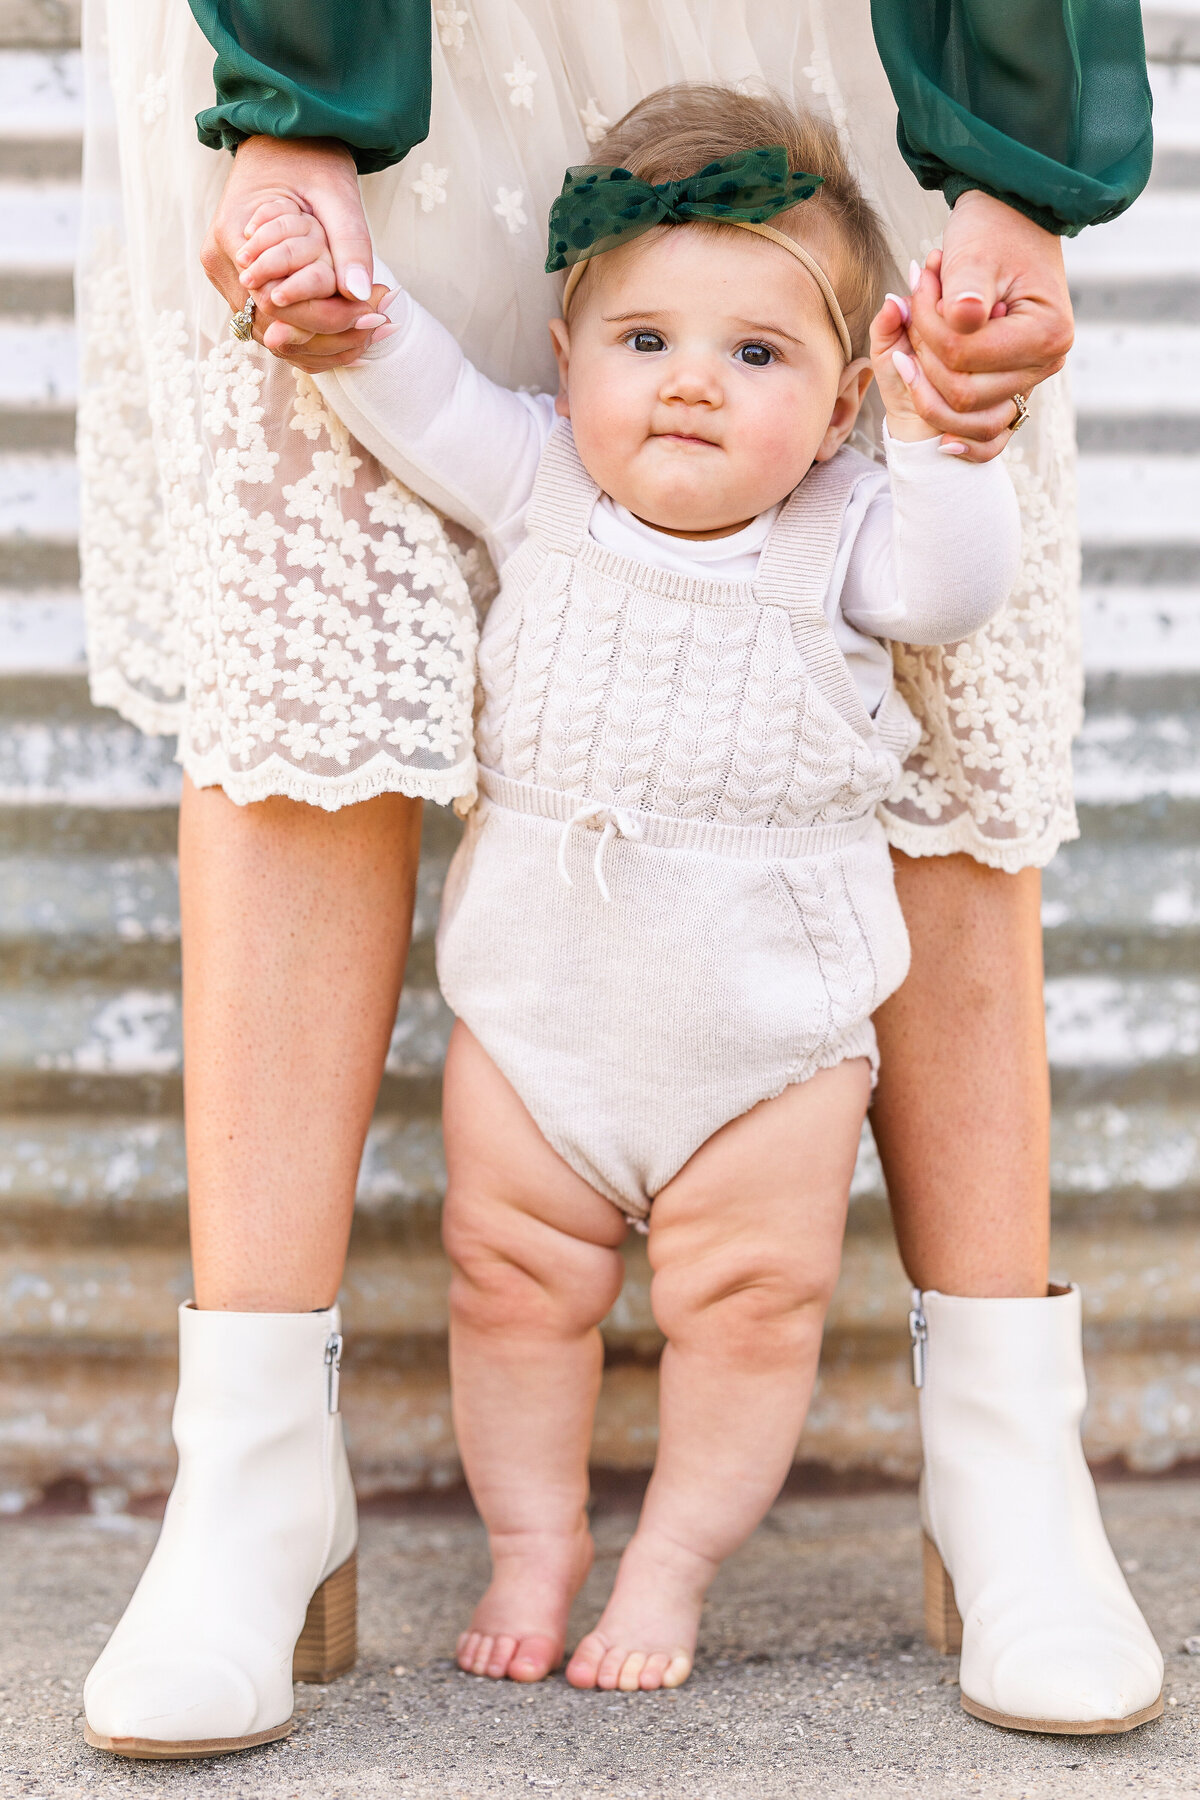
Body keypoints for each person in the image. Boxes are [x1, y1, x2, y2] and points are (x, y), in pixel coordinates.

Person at [77, 0, 1154, 1758]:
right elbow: (421, 393)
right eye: (644, 339)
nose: (688, 384)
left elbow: (957, 590)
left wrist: (953, 434)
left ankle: (723, 1547)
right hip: (540, 1038)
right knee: (510, 1281)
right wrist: (334, 285)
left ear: (838, 405)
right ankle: (430, 1519)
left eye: (755, 359)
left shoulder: (845, 533)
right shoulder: (542, 486)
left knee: (751, 1309)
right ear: (566, 355)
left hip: (774, 1047)